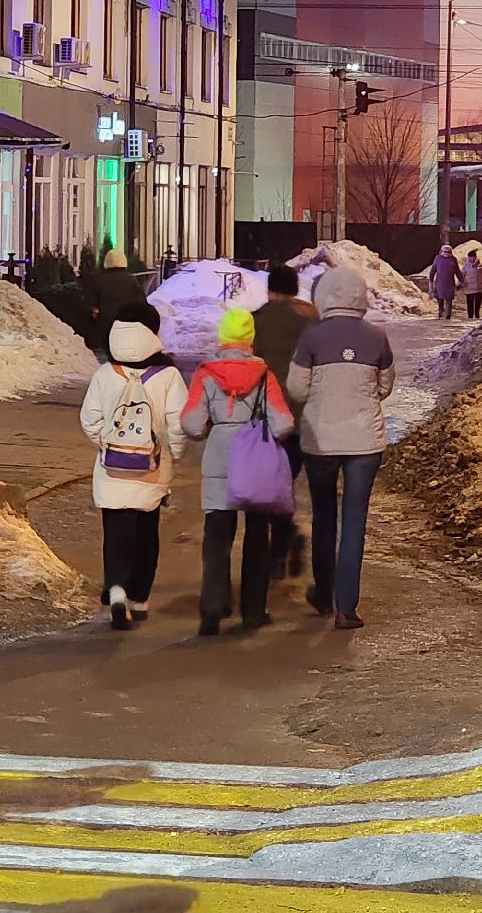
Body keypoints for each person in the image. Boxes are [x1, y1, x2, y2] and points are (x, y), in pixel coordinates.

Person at [287, 266, 393, 630]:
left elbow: (297, 388)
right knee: (354, 521)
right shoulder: (377, 337)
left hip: (320, 440)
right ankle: (346, 606)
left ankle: (323, 592)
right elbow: (385, 386)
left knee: (324, 515)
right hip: (365, 441)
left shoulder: (311, 336)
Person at [181, 308, 295, 636]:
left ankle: (213, 607)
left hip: (218, 460)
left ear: (223, 337)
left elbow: (190, 422)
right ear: (250, 339)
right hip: (255, 463)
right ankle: (254, 610)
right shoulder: (264, 375)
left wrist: (210, 429)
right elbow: (284, 422)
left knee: (217, 536)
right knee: (257, 536)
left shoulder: (206, 374)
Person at [80, 302, 188, 630]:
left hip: (112, 470)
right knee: (145, 533)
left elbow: (89, 419)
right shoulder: (168, 375)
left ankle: (115, 590)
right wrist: (175, 453)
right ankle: (139, 598)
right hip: (151, 471)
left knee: (115, 533)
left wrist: (108, 445)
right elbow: (177, 424)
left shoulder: (105, 373)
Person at [252, 264, 318, 578]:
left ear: (271, 289)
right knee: (285, 482)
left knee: (264, 485)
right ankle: (282, 543)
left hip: (265, 417)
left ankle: (281, 544)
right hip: (301, 415)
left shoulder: (258, 320)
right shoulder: (312, 319)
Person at [92, 248, 145, 353]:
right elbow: (142, 302)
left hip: (105, 325)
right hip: (126, 325)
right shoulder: (132, 281)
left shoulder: (99, 281)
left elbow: (92, 302)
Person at [429, 245, 461, 321]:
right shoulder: (438, 259)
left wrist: (461, 280)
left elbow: (457, 270)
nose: (446, 253)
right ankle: (441, 312)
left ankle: (448, 315)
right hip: (440, 282)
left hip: (450, 282)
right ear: (441, 252)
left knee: (449, 299)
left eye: (448, 252)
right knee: (440, 298)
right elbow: (433, 270)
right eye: (445, 252)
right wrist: (431, 279)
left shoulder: (453, 259)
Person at [461, 249, 482, 320]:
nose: (471, 258)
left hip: (478, 286)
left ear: (475, 257)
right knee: (470, 302)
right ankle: (470, 316)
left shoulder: (480, 265)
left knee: (478, 301)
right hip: (469, 286)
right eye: (470, 257)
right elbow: (462, 274)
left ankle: (477, 315)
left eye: (473, 257)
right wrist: (460, 283)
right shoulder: (466, 265)